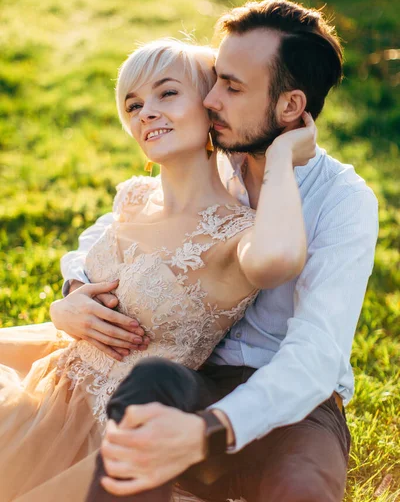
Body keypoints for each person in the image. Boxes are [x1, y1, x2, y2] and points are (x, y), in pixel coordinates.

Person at [64, 0, 379, 502]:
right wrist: (75, 286)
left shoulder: (344, 200)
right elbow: (117, 223)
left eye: (231, 87)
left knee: (302, 491)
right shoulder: (217, 158)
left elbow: (316, 357)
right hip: (197, 375)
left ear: (291, 107)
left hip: (295, 400)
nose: (210, 100)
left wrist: (211, 430)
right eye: (216, 79)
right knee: (148, 391)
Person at [0, 36, 314, 502]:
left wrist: (284, 158)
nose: (145, 112)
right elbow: (86, 266)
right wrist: (65, 303)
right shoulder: (133, 198)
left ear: (211, 109)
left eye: (167, 93)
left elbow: (280, 260)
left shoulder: (235, 235)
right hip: (50, 381)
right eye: (133, 104)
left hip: (108, 427)